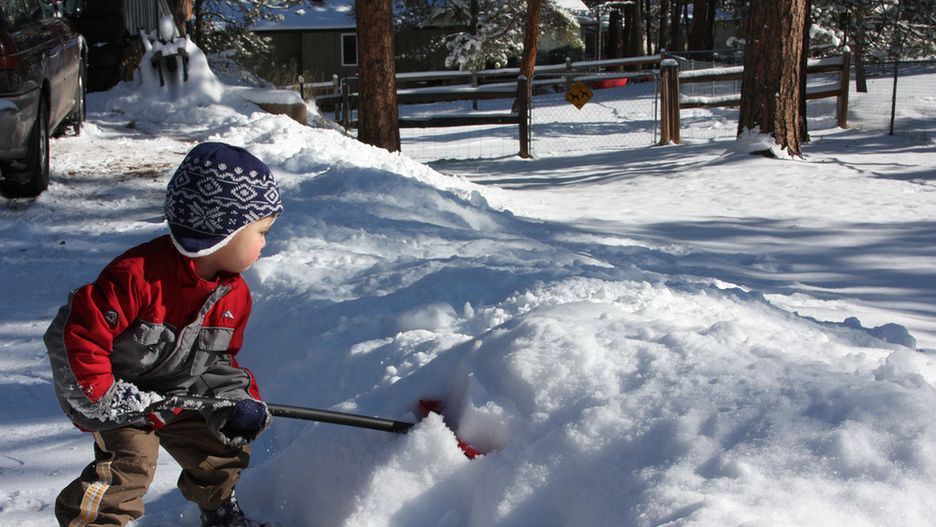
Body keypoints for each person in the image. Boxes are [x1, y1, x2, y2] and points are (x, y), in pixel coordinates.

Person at [44, 142, 283, 527]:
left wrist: (237, 399)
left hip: (173, 392)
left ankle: (218, 510)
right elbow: (81, 334)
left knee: (219, 450)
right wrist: (104, 395)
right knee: (129, 465)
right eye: (260, 231)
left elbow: (217, 362)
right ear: (221, 230)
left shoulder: (234, 296)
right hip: (116, 394)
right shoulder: (137, 276)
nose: (265, 243)